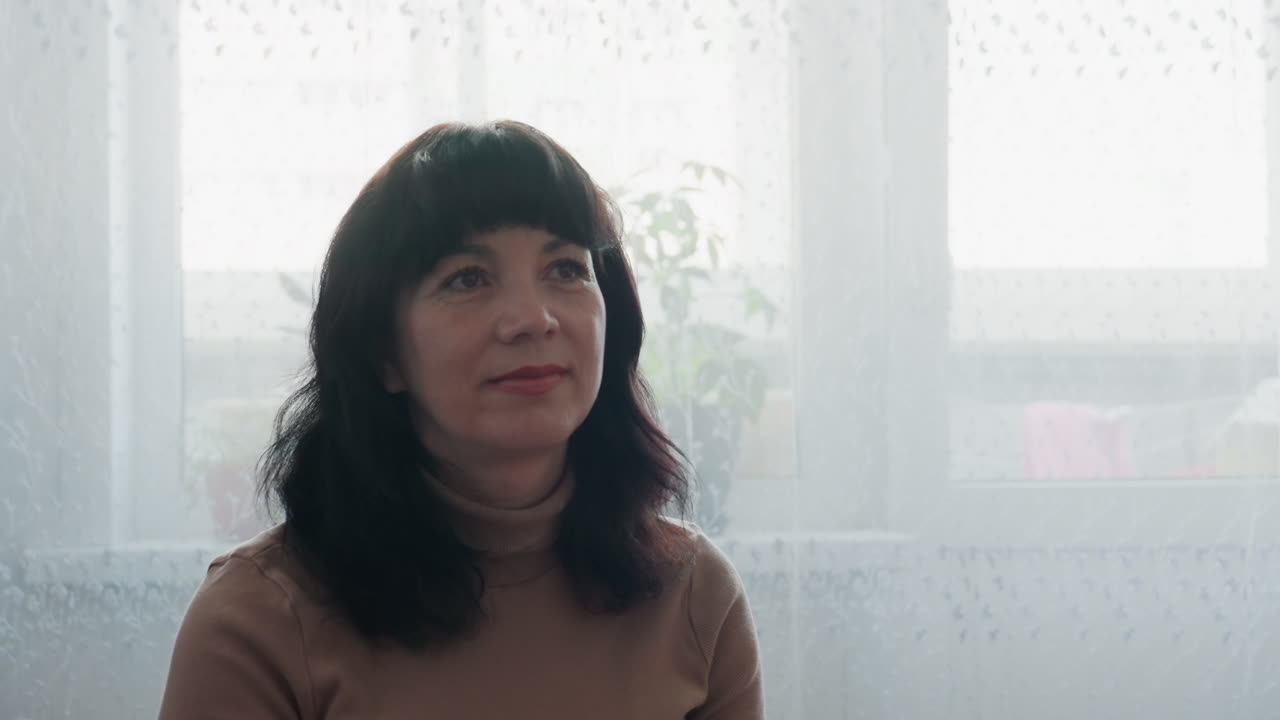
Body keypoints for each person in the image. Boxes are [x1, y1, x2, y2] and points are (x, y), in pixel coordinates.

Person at [157, 120, 765, 719]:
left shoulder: (693, 595)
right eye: (467, 279)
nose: (533, 318)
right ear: (383, 352)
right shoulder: (259, 622)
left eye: (566, 270)